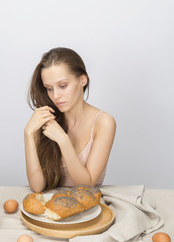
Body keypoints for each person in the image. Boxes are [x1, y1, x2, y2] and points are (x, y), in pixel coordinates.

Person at [24, 47, 116, 193]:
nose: (55, 96)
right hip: (52, 206)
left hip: (90, 208)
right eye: (49, 88)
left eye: (62, 86)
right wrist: (28, 133)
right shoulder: (47, 120)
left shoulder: (104, 122)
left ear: (82, 80)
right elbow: (37, 186)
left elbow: (87, 186)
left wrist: (63, 140)